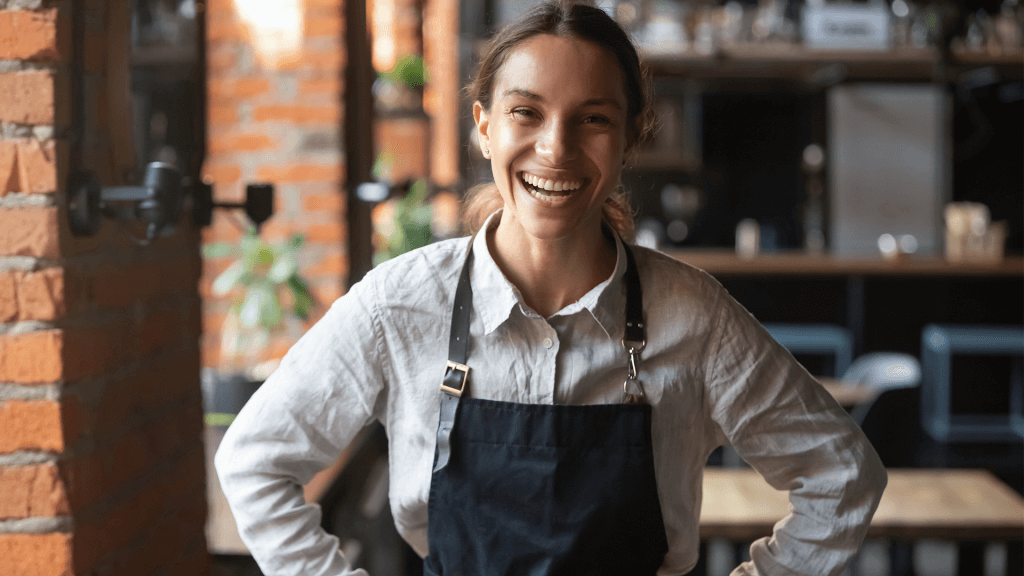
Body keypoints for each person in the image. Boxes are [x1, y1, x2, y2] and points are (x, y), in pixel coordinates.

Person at [215, 1, 887, 574]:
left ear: (630, 136)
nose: (556, 148)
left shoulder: (693, 317)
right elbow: (254, 463)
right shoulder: (400, 305)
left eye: (592, 118)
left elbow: (841, 475)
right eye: (526, 113)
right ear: (484, 127)